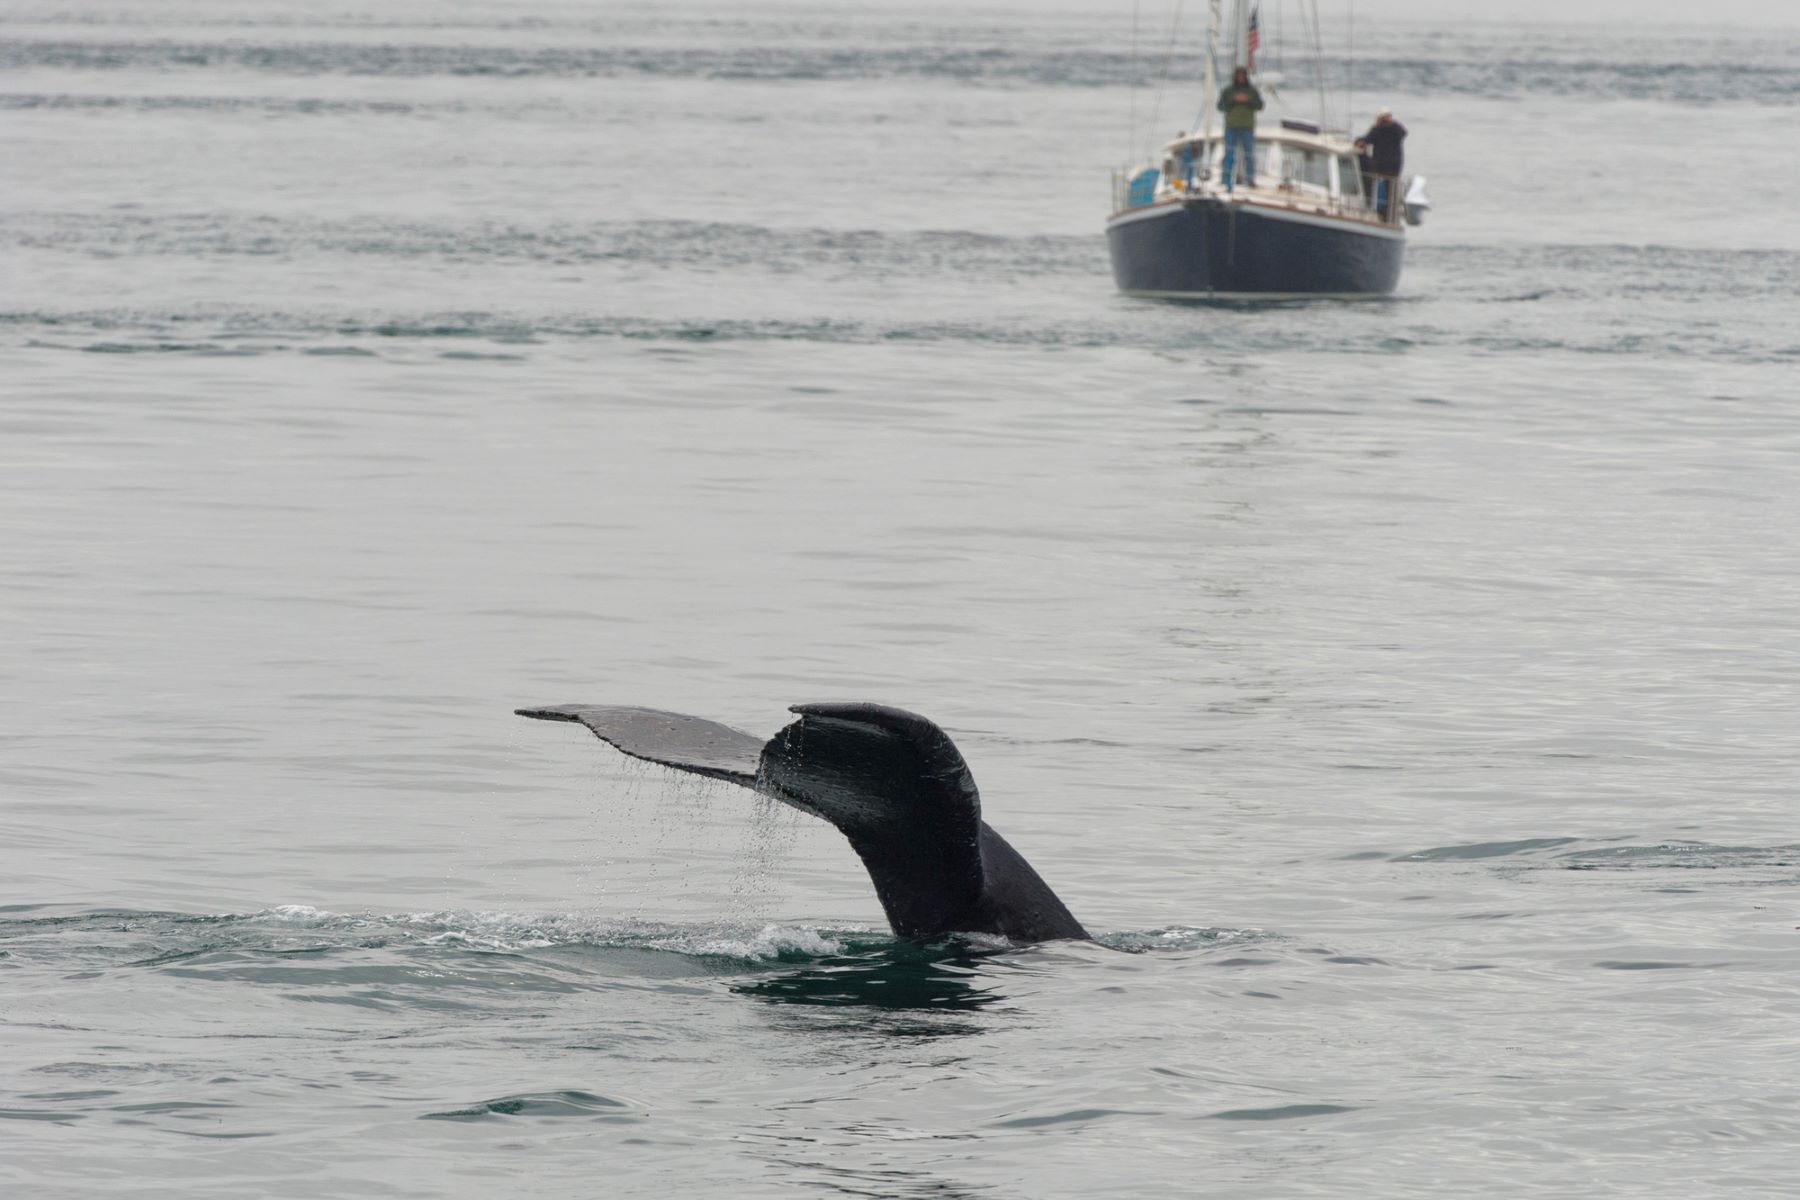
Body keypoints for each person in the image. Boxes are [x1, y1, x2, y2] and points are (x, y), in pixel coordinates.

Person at [1216, 67, 1263, 192]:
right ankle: (1225, 178)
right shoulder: (1228, 91)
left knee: (1249, 154)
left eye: (1243, 76)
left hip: (1247, 127)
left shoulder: (1252, 91)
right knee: (1229, 153)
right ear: (1235, 77)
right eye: (1239, 76)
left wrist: (1248, 100)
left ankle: (1250, 179)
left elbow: (1259, 106)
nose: (1241, 78)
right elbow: (1220, 107)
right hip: (1231, 127)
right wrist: (1233, 100)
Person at [1357, 108, 1407, 219]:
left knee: (1391, 190)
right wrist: (1377, 125)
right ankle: (1374, 209)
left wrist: (1392, 123)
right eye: (1383, 118)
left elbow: (1403, 133)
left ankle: (1389, 213)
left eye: (1387, 117)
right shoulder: (1377, 130)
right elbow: (1368, 139)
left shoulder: (1395, 129)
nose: (1385, 120)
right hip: (1379, 164)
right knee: (1374, 187)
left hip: (1393, 165)